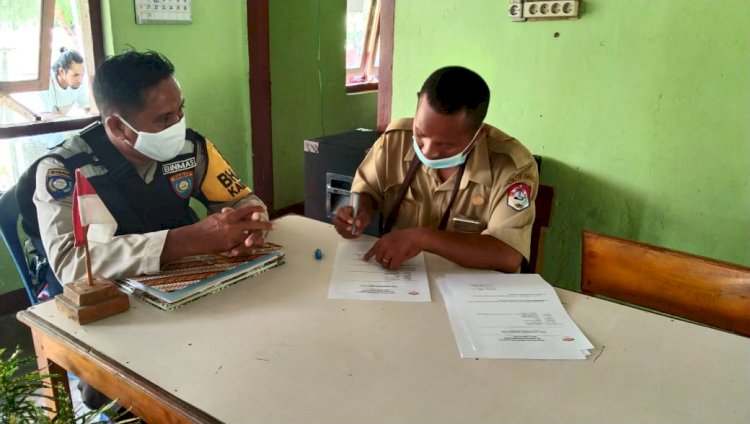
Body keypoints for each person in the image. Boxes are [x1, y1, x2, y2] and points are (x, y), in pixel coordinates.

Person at [15, 49, 274, 412]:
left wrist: (251, 225)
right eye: (164, 118)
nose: (178, 125)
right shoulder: (65, 170)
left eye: (181, 110)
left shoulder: (191, 149)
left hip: (181, 291)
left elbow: (243, 199)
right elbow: (74, 265)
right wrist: (184, 241)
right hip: (105, 306)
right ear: (118, 126)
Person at [333, 66, 538, 273]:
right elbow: (367, 191)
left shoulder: (512, 166)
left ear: (478, 135)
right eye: (420, 135)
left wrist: (423, 238)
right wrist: (358, 213)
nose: (429, 151)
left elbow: (507, 255)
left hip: (471, 288)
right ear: (417, 103)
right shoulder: (395, 140)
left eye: (446, 145)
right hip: (402, 276)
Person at [39, 47, 90, 115]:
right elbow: (44, 118)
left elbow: (87, 108)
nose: (80, 80)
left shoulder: (79, 82)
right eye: (75, 75)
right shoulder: (45, 84)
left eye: (82, 75)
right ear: (62, 71)